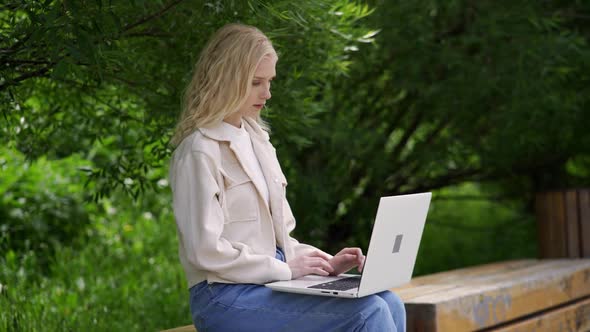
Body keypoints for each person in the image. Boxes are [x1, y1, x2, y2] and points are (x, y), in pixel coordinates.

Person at [169, 23, 406, 332]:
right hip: (223, 296)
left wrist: (323, 262)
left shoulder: (258, 141)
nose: (267, 93)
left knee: (389, 301)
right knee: (366, 312)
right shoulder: (199, 151)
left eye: (269, 81)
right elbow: (204, 250)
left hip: (268, 283)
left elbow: (279, 242)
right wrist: (284, 269)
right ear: (228, 79)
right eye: (256, 82)